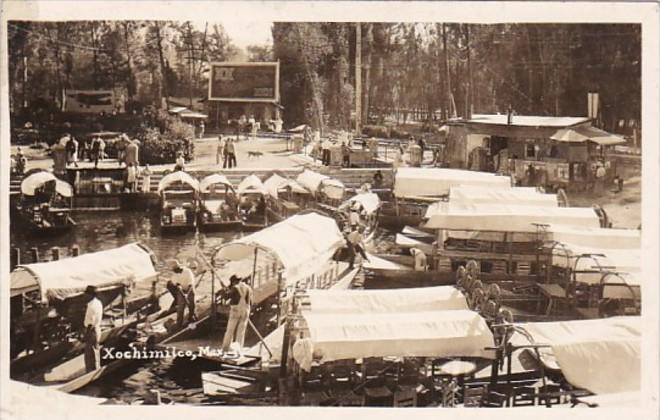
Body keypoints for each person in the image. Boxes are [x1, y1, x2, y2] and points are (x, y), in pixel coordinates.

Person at [222, 275, 253, 357]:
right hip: (246, 310)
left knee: (230, 330)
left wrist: (223, 289)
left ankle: (225, 349)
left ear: (233, 281)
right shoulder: (248, 288)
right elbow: (251, 302)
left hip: (236, 310)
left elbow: (225, 297)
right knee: (241, 332)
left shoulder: (235, 287)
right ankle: (239, 350)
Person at [171, 260, 197, 328]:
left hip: (190, 289)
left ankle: (191, 318)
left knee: (191, 305)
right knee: (180, 308)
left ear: (179, 268)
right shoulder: (174, 275)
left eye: (175, 270)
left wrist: (187, 294)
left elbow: (190, 285)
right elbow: (177, 285)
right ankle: (179, 323)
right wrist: (182, 291)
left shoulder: (188, 272)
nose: (174, 272)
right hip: (181, 290)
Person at [83, 285, 103, 372]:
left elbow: (91, 323)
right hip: (96, 329)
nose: (85, 296)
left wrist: (86, 335)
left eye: (86, 294)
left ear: (91, 295)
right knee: (94, 351)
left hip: (92, 331)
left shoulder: (92, 306)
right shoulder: (98, 302)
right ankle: (94, 370)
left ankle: (92, 372)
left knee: (90, 354)